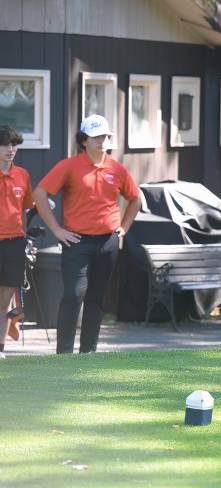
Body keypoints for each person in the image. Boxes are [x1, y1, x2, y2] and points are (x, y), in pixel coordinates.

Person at [33, 115, 141, 354]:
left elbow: (135, 200)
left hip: (108, 242)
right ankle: (64, 355)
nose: (102, 141)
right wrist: (56, 230)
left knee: (96, 298)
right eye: (96, 137)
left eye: (105, 136)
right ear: (84, 140)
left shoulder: (117, 169)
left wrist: (123, 228)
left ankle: (88, 354)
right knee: (73, 294)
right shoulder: (69, 166)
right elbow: (40, 194)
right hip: (77, 242)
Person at [0, 125, 33, 359]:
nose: (11, 149)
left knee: (4, 301)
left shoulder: (23, 175)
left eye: (14, 144)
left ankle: (0, 348)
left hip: (14, 244)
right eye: (5, 144)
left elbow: (26, 209)